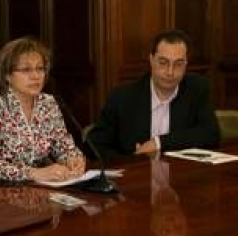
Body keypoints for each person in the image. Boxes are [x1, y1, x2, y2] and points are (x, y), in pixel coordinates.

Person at [0, 36, 86, 184]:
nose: (35, 76)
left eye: (40, 69)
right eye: (26, 70)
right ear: (7, 75)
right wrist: (33, 173)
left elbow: (63, 145)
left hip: (34, 190)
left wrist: (73, 159)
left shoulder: (48, 104)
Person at [88, 29, 220, 160]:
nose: (170, 72)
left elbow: (211, 134)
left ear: (186, 64)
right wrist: (131, 162)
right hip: (135, 176)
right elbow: (94, 147)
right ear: (151, 60)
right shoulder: (123, 97)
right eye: (163, 63)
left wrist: (159, 142)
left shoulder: (196, 88)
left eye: (178, 64)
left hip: (180, 175)